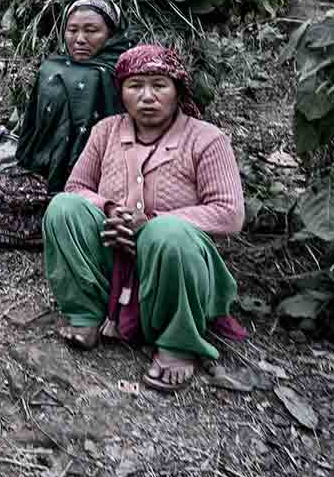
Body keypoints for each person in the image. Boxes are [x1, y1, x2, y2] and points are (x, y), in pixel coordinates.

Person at [42, 44, 247, 393]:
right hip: (113, 255)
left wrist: (150, 222)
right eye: (135, 86)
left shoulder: (207, 139)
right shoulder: (106, 131)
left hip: (172, 266)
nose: (147, 96)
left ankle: (178, 341)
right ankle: (86, 313)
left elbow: (229, 212)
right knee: (63, 208)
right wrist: (108, 209)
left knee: (169, 234)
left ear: (178, 90)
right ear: (121, 92)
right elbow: (77, 186)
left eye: (159, 85)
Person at [0, 0, 133, 250]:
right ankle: (60, 225)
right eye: (72, 30)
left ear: (112, 34)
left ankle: (69, 223)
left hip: (102, 183)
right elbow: (33, 131)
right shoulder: (52, 67)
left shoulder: (127, 75)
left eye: (91, 31)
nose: (79, 39)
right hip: (46, 173)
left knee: (91, 208)